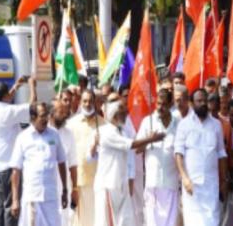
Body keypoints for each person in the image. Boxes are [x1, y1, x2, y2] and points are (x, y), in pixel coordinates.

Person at [94, 99, 165, 226]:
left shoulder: (122, 131)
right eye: (123, 110)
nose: (127, 113)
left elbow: (133, 151)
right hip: (108, 186)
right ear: (115, 114)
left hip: (122, 185)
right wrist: (151, 139)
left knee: (126, 221)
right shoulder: (105, 132)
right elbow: (131, 145)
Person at [0, 77, 36, 226]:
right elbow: (33, 107)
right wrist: (32, 86)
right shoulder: (8, 111)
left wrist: (16, 86)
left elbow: (5, 97)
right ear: (5, 96)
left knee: (0, 205)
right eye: (8, 93)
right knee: (11, 206)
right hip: (8, 164)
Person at [9, 102, 68, 226]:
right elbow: (16, 171)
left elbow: (62, 162)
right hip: (32, 196)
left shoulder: (54, 134)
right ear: (33, 118)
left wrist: (65, 190)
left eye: (46, 115)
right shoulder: (23, 138)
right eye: (42, 116)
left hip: (51, 196)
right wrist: (15, 200)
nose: (46, 119)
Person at [175, 89, 228, 226]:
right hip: (192, 185)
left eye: (205, 100)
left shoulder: (216, 125)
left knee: (212, 221)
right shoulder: (184, 124)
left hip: (211, 185)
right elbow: (178, 154)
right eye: (199, 101)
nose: (203, 104)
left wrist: (223, 181)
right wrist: (185, 178)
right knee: (193, 221)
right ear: (192, 103)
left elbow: (221, 154)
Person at [137, 88, 180, 226]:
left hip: (171, 182)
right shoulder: (147, 121)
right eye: (158, 104)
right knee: (152, 221)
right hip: (152, 182)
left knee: (170, 221)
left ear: (170, 104)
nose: (160, 107)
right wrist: (150, 139)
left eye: (164, 104)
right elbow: (137, 149)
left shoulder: (177, 123)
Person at [67, 90, 102, 226]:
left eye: (90, 101)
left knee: (96, 220)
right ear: (80, 102)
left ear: (96, 103)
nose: (87, 104)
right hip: (77, 180)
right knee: (78, 221)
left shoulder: (103, 125)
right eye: (85, 101)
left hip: (97, 180)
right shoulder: (71, 124)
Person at [49, 95, 78, 226]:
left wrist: (74, 189)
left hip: (64, 188)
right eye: (61, 112)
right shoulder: (44, 133)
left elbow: (73, 164)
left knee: (64, 220)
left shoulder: (69, 134)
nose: (64, 114)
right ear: (51, 114)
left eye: (65, 112)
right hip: (46, 187)